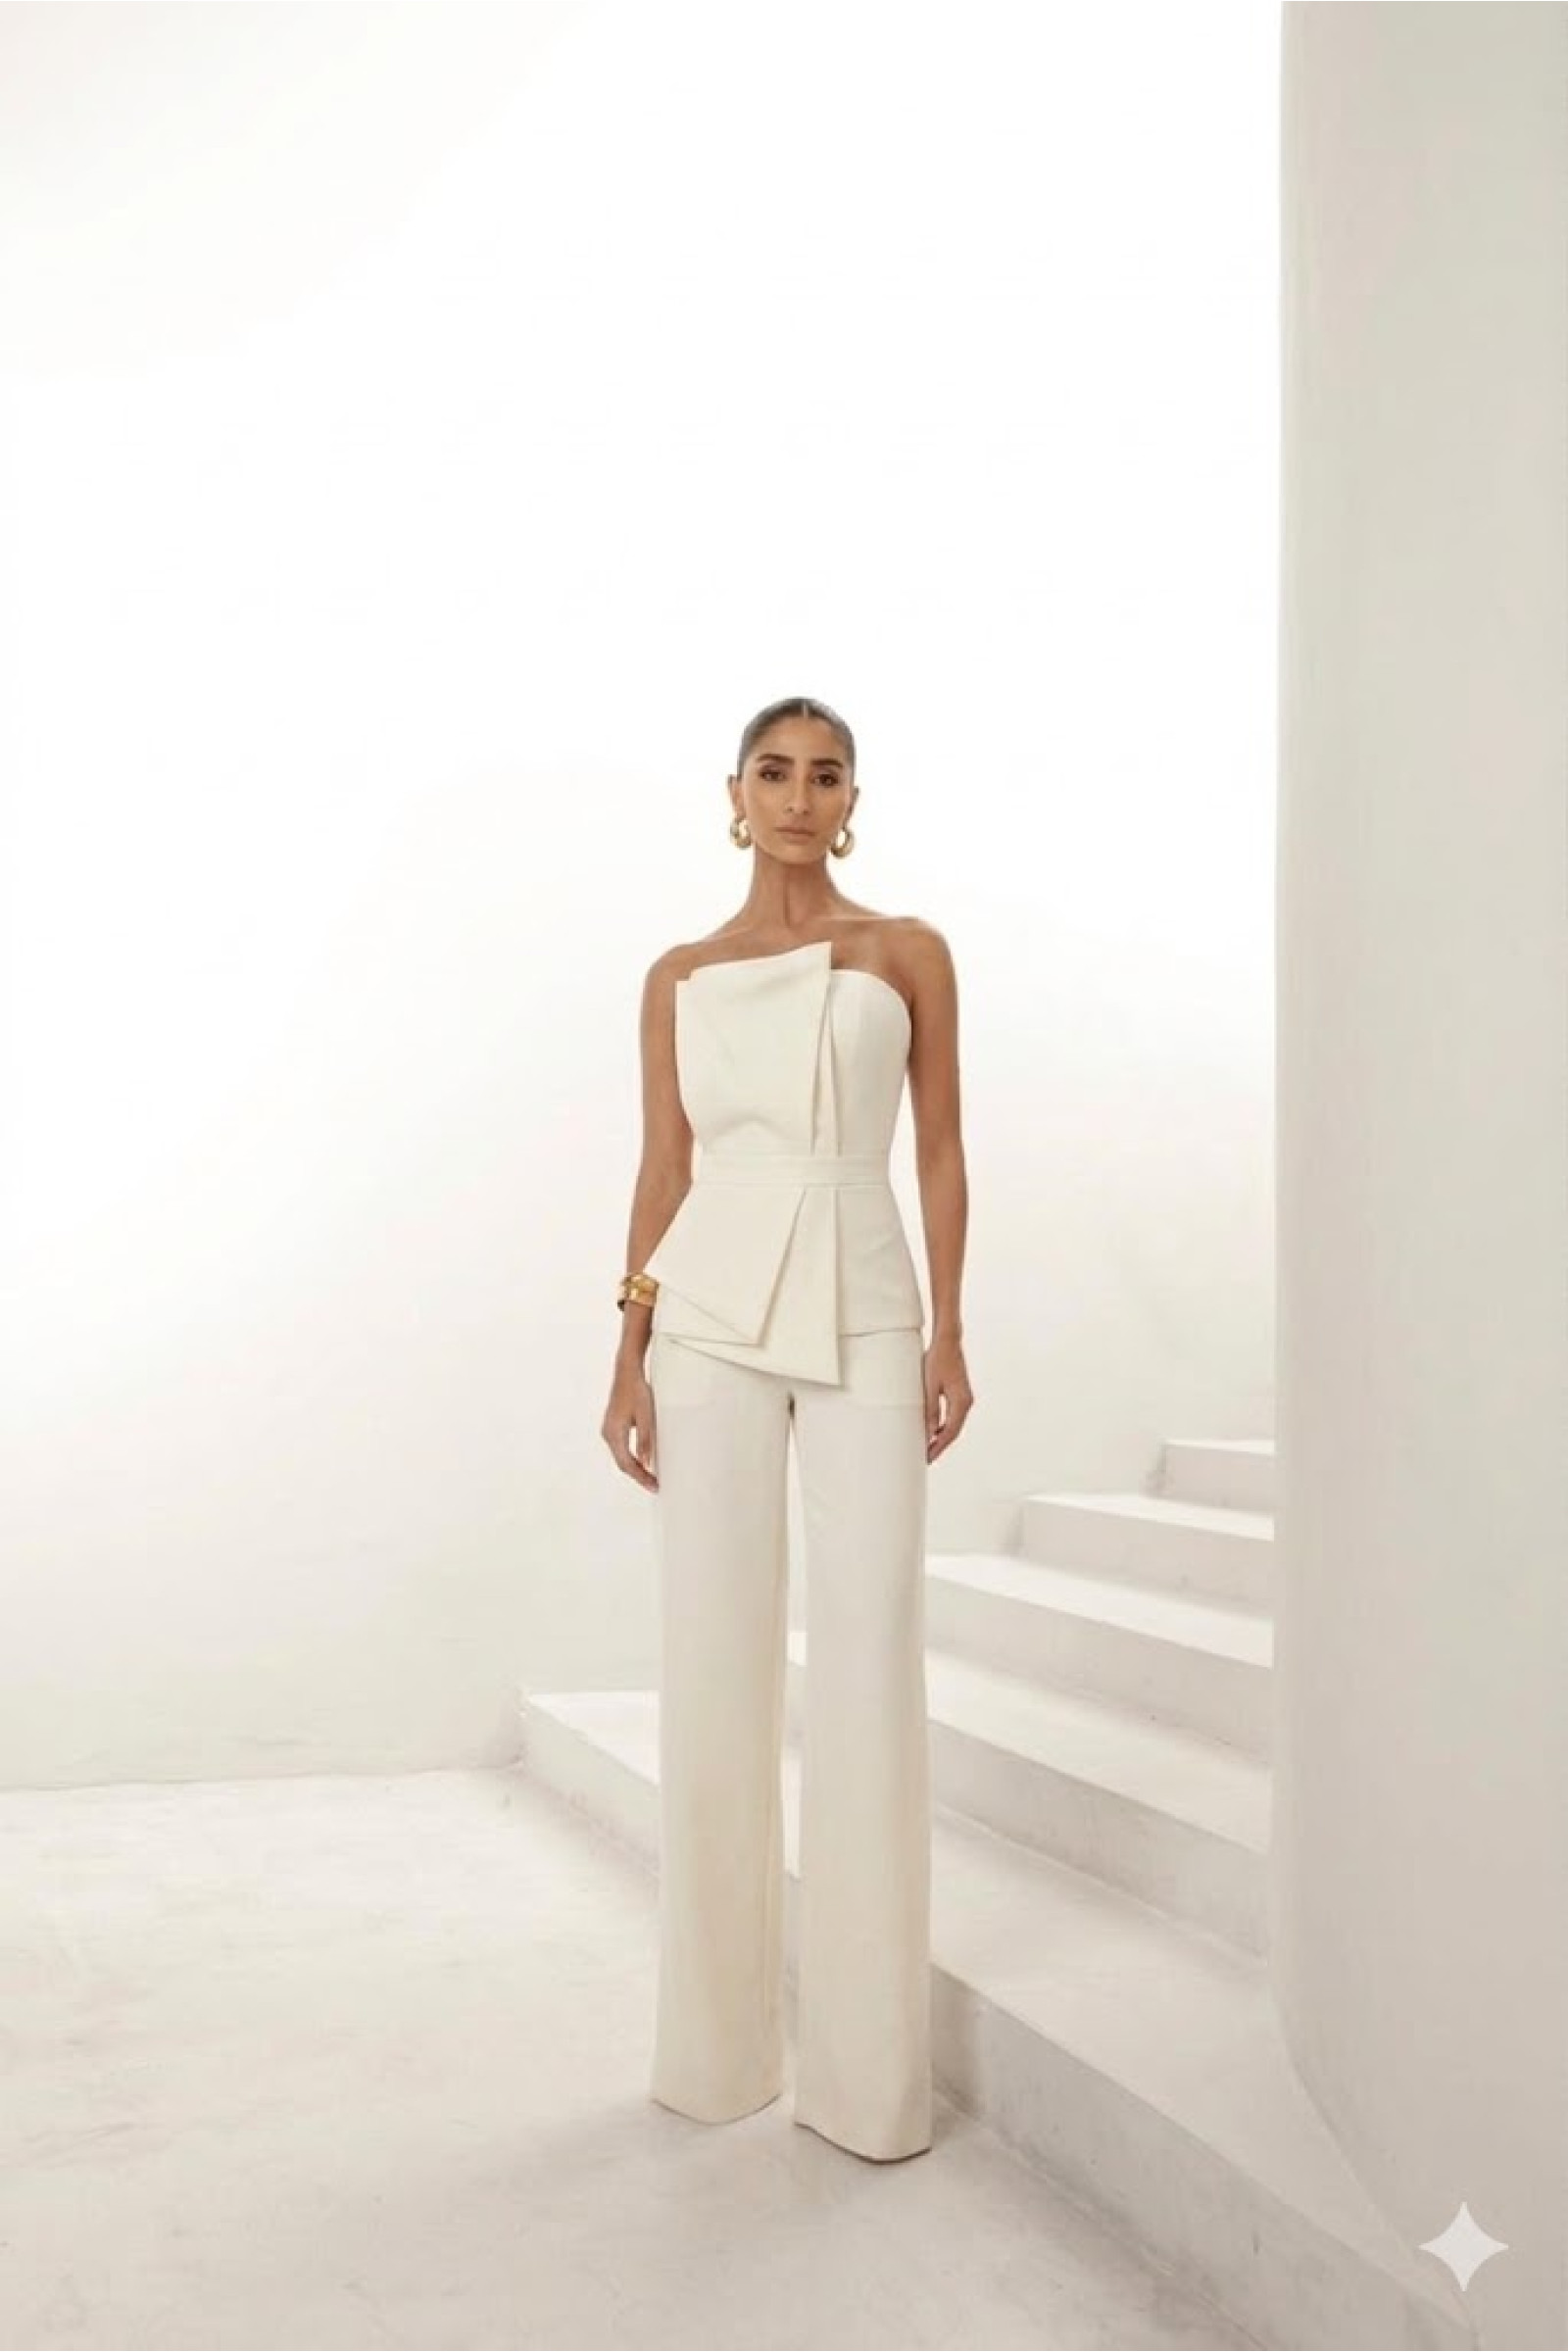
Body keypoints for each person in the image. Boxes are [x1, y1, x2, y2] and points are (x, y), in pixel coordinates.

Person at [602, 694, 973, 2163]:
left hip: (866, 1301)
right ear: (736, 792)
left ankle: (869, 2085)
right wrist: (628, 1348)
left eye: (826, 775)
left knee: (870, 1656)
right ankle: (715, 2054)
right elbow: (663, 1165)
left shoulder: (907, 951)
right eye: (775, 771)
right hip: (705, 1320)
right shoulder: (680, 975)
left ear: (852, 799)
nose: (800, 796)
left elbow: (939, 1147)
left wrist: (951, 1330)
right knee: (713, 1661)